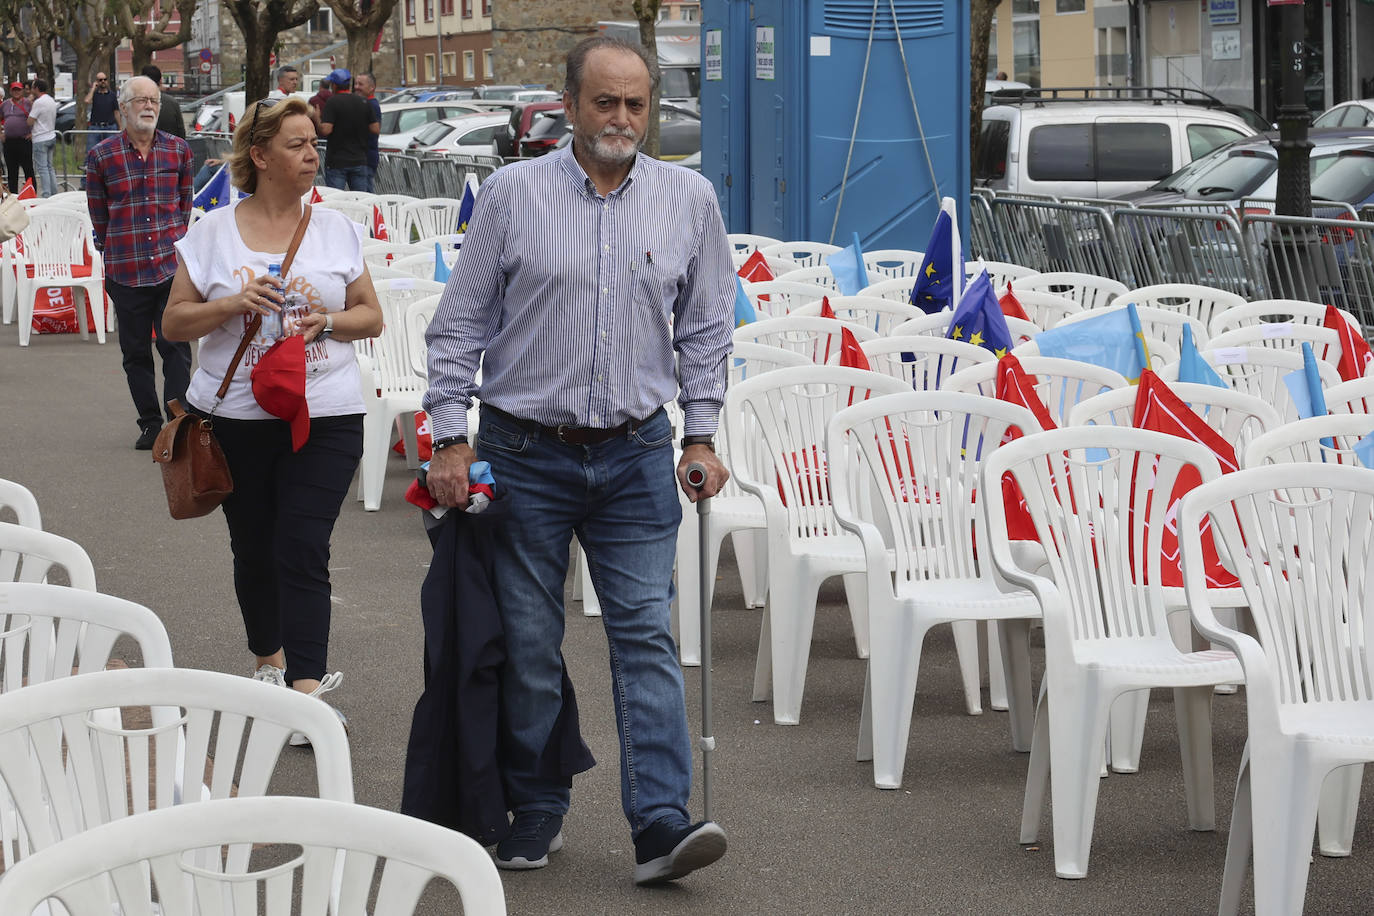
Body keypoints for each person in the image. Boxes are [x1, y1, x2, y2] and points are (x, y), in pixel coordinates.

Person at [422, 35, 733, 885]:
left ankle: (661, 823)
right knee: (528, 640)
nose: (622, 119)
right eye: (606, 101)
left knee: (644, 638)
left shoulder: (688, 199)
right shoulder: (515, 196)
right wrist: (451, 437)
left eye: (637, 104)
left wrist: (701, 433)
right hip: (524, 453)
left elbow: (705, 328)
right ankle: (538, 802)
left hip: (636, 453)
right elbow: (458, 328)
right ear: (570, 105)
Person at [162, 95, 382, 739]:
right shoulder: (210, 234)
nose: (313, 154)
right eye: (297, 143)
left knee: (302, 542)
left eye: (315, 142)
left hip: (327, 412)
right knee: (255, 546)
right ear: (259, 155)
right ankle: (268, 661)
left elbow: (371, 315)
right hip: (235, 416)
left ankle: (306, 693)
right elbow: (172, 322)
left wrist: (329, 322)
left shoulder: (336, 229)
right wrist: (230, 305)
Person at [86, 75, 195, 450]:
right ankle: (149, 424)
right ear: (123, 108)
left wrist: (173, 242)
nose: (148, 106)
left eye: (154, 100)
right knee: (135, 353)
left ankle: (177, 422)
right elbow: (98, 215)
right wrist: (114, 248)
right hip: (126, 269)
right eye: (140, 100)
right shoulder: (101, 156)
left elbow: (185, 206)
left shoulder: (178, 151)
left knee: (175, 346)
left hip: (169, 268)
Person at [319, 69, 377, 192]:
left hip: (337, 162)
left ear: (334, 85)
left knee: (335, 200)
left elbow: (326, 130)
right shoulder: (364, 102)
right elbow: (375, 129)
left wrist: (316, 118)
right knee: (361, 200)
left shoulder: (332, 102)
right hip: (359, 160)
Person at [84, 71, 121, 168]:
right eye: (100, 80)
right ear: (97, 82)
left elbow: (116, 112)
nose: (103, 81)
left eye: (105, 79)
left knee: (111, 153)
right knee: (91, 152)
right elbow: (87, 101)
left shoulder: (112, 95)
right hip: (95, 127)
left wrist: (120, 127)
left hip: (110, 127)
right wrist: (93, 88)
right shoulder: (95, 94)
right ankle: (86, 179)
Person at [27, 79, 57, 197]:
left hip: (40, 137)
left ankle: (46, 194)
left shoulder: (38, 102)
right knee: (50, 167)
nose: (31, 90)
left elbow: (30, 121)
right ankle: (54, 192)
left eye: (33, 88)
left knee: (43, 168)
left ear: (37, 89)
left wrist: (30, 104)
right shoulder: (51, 100)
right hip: (51, 134)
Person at [2, 81, 33, 192]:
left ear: (22, 91)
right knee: (11, 170)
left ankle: (31, 192)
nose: (16, 92)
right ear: (10, 91)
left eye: (18, 90)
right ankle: (14, 195)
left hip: (24, 140)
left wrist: (32, 133)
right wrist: (1, 133)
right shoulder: (5, 104)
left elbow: (36, 118)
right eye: (14, 90)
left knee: (28, 169)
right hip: (9, 142)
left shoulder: (28, 103)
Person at [142, 65, 186, 140]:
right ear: (160, 81)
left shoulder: (136, 104)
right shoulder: (172, 103)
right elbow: (181, 131)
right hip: (171, 148)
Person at [353, 72, 382, 187]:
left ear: (371, 88)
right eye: (355, 84)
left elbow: (375, 129)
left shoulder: (372, 105)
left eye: (360, 84)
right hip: (363, 157)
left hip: (367, 158)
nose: (356, 87)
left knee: (366, 194)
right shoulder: (364, 103)